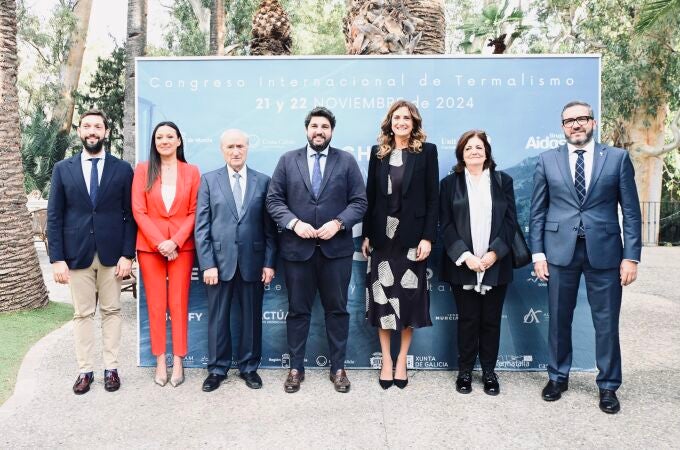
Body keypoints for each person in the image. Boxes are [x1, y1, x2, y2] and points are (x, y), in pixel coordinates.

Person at [529, 100, 642, 414]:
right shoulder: (547, 160)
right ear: (563, 127)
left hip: (605, 253)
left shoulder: (617, 159)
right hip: (558, 252)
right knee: (558, 320)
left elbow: (631, 213)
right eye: (569, 121)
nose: (576, 125)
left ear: (592, 122)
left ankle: (608, 386)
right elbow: (537, 213)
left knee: (606, 323)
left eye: (581, 119)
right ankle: (557, 377)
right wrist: (538, 253)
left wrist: (631, 257)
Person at [266, 107, 367, 394]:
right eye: (314, 126)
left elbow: (359, 202)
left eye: (324, 126)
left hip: (336, 252)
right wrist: (294, 223)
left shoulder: (346, 161)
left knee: (337, 311)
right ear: (306, 129)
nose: (319, 131)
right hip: (298, 252)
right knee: (298, 312)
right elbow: (274, 201)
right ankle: (296, 368)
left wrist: (338, 223)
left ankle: (338, 369)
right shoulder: (288, 161)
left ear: (331, 131)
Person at [47, 109, 136, 395]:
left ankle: (111, 368)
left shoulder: (122, 169)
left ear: (106, 132)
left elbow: (130, 215)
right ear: (80, 132)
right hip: (76, 255)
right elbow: (55, 216)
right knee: (82, 314)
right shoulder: (63, 169)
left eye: (98, 126)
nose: (92, 131)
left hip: (113, 256)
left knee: (112, 311)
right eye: (87, 126)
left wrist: (127, 254)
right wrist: (57, 259)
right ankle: (84, 371)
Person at [360, 100, 439, 389]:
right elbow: (369, 197)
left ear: (414, 122)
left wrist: (428, 237)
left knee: (407, 301)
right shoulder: (377, 153)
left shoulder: (427, 152)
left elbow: (433, 198)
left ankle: (402, 359)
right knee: (382, 300)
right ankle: (386, 360)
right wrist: (367, 234)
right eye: (397, 117)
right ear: (390, 122)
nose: (401, 122)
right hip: (382, 240)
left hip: (411, 241)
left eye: (406, 118)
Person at [194, 129, 277, 392]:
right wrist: (207, 264)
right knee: (218, 318)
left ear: (247, 148)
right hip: (218, 264)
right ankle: (217, 369)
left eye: (240, 146)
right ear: (222, 150)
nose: (235, 151)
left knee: (251, 318)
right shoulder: (208, 181)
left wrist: (269, 262)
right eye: (230, 147)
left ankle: (249, 367)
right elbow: (201, 227)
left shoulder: (264, 181)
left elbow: (270, 229)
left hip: (253, 262)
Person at [439, 130, 517, 396]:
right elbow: (445, 224)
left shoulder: (503, 181)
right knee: (468, 320)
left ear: (487, 152)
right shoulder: (449, 184)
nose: (474, 151)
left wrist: (493, 254)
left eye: (479, 147)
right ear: (461, 153)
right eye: (469, 148)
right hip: (463, 264)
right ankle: (464, 372)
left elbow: (510, 223)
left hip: (496, 263)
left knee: (491, 321)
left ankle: (489, 372)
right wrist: (466, 256)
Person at [131, 121, 200, 388]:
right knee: (157, 305)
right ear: (154, 142)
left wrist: (176, 241)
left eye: (170, 136)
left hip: (181, 247)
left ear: (179, 141)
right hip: (150, 247)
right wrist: (161, 242)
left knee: (179, 303)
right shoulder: (143, 170)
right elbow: (139, 210)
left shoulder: (192, 172)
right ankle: (160, 360)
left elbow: (195, 211)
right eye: (159, 137)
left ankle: (179, 359)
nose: (164, 141)